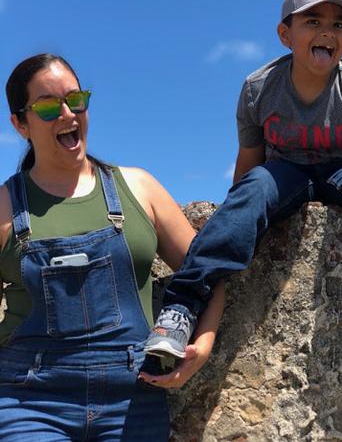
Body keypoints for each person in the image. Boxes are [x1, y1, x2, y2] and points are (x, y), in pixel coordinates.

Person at [145, 0, 342, 385]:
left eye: (339, 25)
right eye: (312, 21)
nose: (328, 32)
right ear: (285, 34)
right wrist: (236, 211)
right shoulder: (259, 89)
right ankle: (180, 311)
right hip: (287, 173)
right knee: (256, 186)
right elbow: (249, 164)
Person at [0, 53, 224, 441]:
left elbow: (206, 272)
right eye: (50, 106)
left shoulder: (139, 188)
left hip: (133, 398)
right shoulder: (5, 207)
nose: (69, 114)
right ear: (20, 124)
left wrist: (202, 345)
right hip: (30, 402)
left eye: (77, 99)